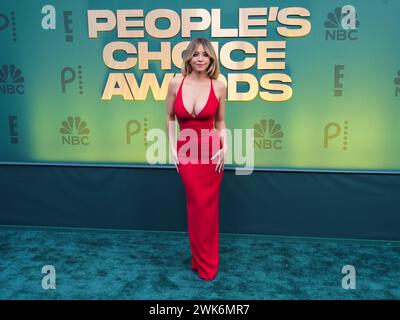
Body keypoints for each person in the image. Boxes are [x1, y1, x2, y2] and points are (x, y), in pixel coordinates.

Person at [166, 37, 228, 281]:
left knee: (208, 209)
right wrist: (172, 148)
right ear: (188, 58)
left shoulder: (219, 86)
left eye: (205, 55)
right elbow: (170, 118)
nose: (200, 59)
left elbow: (220, 122)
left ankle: (207, 263)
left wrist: (225, 147)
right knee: (196, 208)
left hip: (212, 153)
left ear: (211, 58)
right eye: (195, 54)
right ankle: (199, 257)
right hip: (186, 152)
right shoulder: (174, 83)